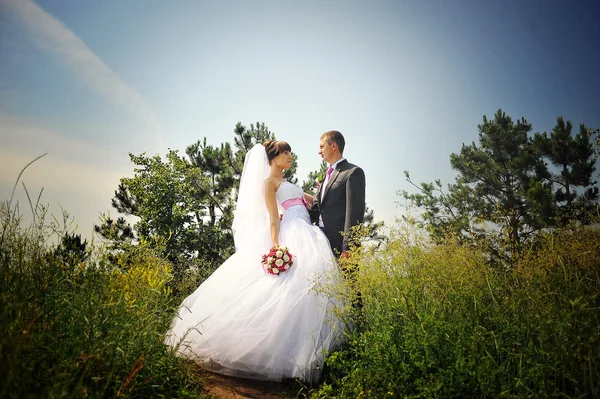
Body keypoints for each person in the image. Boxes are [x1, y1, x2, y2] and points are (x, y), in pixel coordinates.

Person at [164, 140, 343, 383]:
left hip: (308, 233)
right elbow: (273, 217)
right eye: (285, 152)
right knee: (285, 288)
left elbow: (316, 203)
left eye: (290, 152)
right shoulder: (269, 183)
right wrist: (276, 246)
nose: (290, 156)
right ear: (273, 157)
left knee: (310, 287)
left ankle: (305, 351)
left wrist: (324, 190)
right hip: (291, 233)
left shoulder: (292, 185)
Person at [310, 130, 366, 260]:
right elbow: (316, 207)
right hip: (320, 242)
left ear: (334, 146)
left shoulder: (352, 172)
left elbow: (354, 213)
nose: (319, 151)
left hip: (340, 245)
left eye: (322, 147)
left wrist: (348, 248)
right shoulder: (326, 175)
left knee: (344, 281)